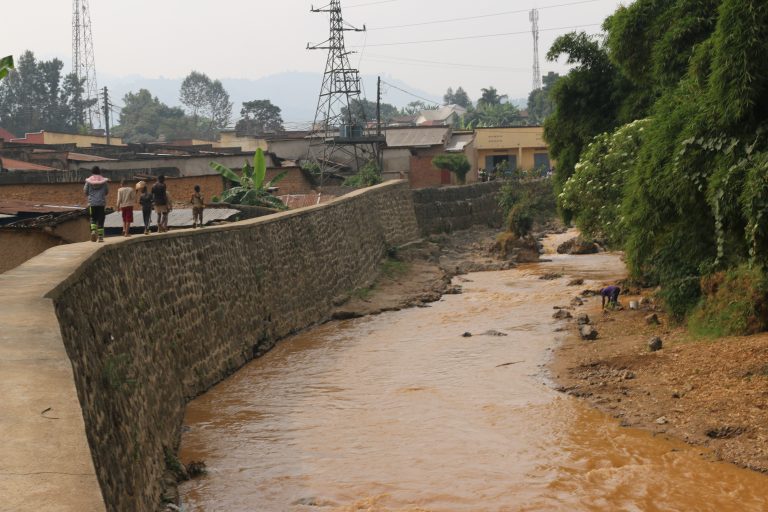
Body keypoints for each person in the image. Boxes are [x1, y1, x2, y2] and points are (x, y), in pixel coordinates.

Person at [83, 166, 109, 242]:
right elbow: (107, 191)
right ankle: (100, 237)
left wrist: (90, 195)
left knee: (93, 218)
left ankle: (93, 231)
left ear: (92, 172)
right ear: (99, 172)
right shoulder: (104, 181)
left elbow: (85, 191)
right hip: (101, 203)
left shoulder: (88, 181)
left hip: (92, 203)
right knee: (101, 219)